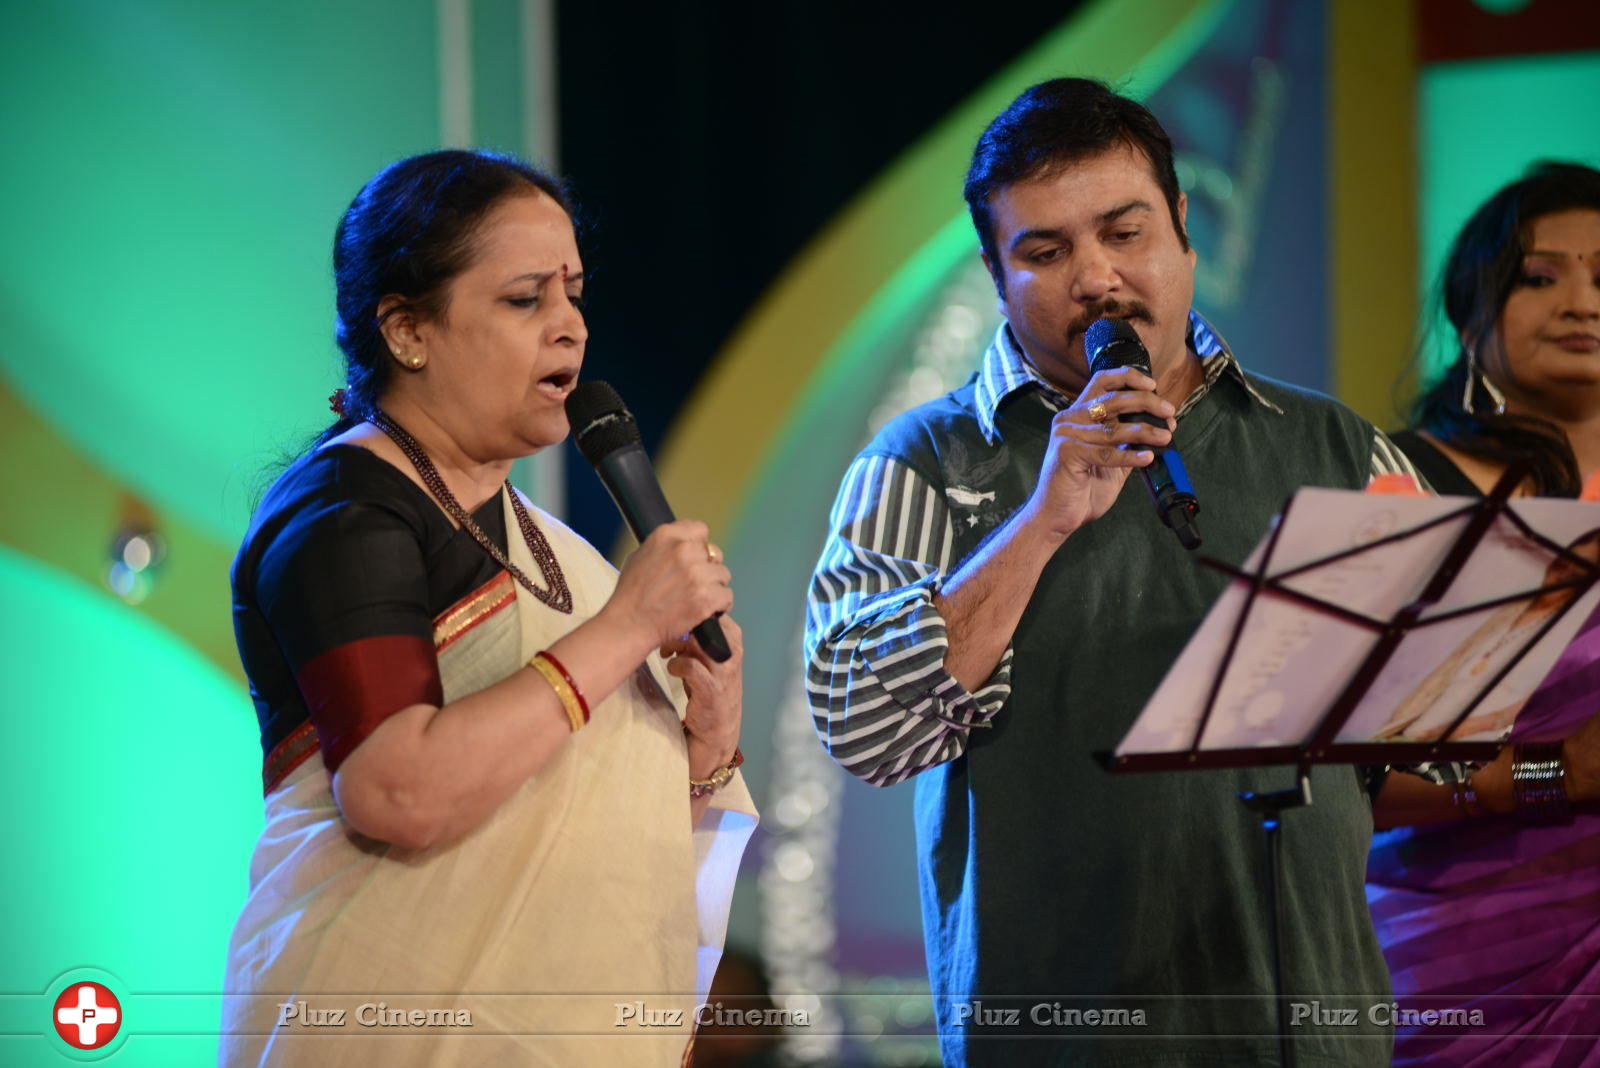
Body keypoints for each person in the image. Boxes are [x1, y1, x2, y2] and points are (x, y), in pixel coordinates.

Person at [804, 78, 1419, 1066]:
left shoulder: (1335, 445)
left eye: (1123, 233)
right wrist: (1045, 518)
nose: (1094, 279)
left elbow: (1433, 722)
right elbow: (862, 729)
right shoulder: (921, 461)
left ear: (1180, 227)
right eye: (1043, 253)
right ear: (996, 274)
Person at [218, 150, 757, 1067]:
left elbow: (599, 834)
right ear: (406, 329)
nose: (570, 330)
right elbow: (397, 789)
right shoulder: (345, 509)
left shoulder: (560, 550)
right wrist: (626, 628)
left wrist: (701, 746)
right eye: (524, 300)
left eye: (574, 294)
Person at [1366, 160, 1600, 1066]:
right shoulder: (1412, 491)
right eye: (1540, 278)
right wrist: (1562, 773)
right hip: (1466, 972)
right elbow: (1358, 784)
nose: (1581, 303)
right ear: (1469, 318)